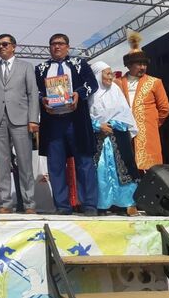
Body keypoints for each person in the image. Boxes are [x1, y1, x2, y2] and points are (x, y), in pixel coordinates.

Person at [36, 33, 99, 216]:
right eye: (53, 44)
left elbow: (92, 84)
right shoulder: (41, 68)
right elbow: (35, 91)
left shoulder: (80, 64)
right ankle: (62, 206)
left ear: (68, 47)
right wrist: (43, 99)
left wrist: (79, 93)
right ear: (49, 48)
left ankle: (89, 205)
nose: (57, 47)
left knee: (84, 162)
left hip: (76, 120)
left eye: (61, 44)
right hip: (53, 122)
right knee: (55, 165)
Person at [0, 34, 39, 214]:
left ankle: (29, 203)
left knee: (25, 162)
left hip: (21, 119)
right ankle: (6, 202)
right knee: (2, 163)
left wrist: (33, 119)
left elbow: (33, 93)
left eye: (5, 44)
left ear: (13, 46)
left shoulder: (26, 67)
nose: (1, 47)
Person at [88, 61, 140, 216]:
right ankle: (102, 205)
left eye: (111, 73)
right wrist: (98, 125)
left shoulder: (116, 90)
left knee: (123, 168)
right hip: (97, 138)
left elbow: (125, 114)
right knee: (101, 170)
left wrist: (112, 124)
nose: (111, 77)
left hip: (118, 136)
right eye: (107, 73)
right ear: (98, 75)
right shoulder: (90, 93)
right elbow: (83, 118)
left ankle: (127, 203)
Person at [116, 31, 169, 171]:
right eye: (139, 64)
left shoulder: (155, 82)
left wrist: (151, 123)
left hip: (147, 132)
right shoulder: (117, 83)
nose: (143, 67)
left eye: (144, 64)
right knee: (126, 167)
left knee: (150, 169)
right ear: (129, 65)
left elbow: (164, 109)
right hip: (124, 132)